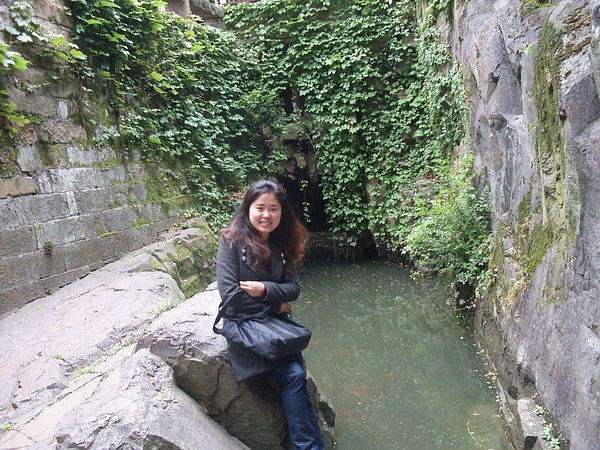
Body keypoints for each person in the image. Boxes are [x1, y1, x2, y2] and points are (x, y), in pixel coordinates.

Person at [216, 178, 326, 450]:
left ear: (281, 213)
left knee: (298, 374)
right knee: (293, 376)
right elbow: (231, 297)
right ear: (248, 209)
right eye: (260, 208)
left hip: (275, 328)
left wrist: (265, 289)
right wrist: (276, 306)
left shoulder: (279, 246)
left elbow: (293, 289)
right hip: (247, 329)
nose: (266, 215)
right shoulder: (231, 242)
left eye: (273, 209)